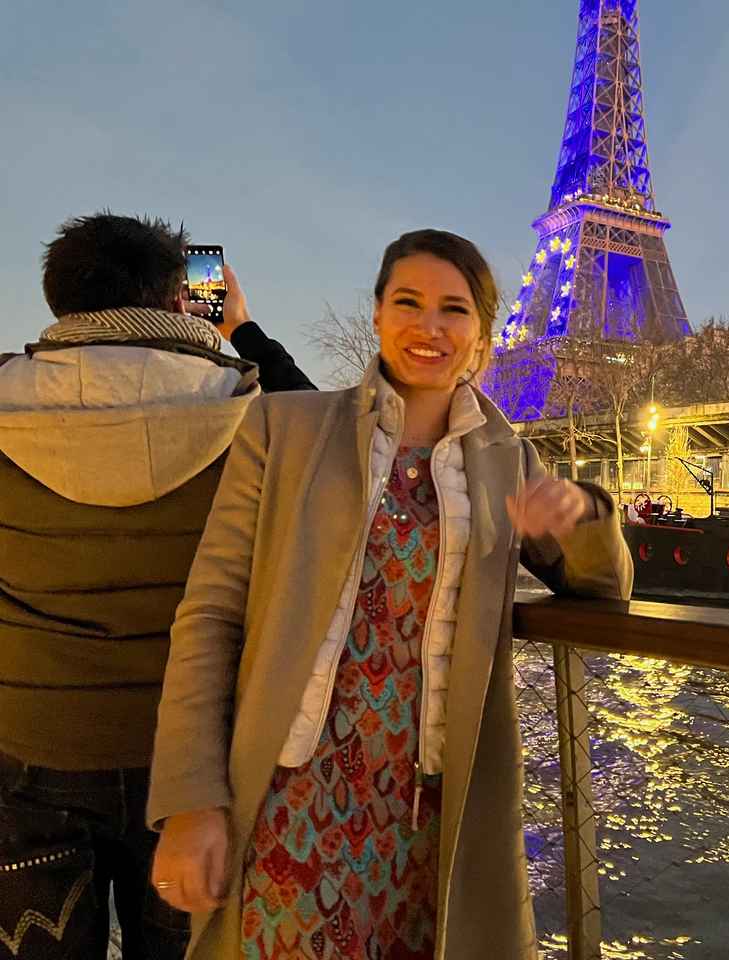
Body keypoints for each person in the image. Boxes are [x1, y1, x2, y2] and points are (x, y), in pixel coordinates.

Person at [147, 228, 632, 960]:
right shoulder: (282, 429)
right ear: (376, 314)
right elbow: (211, 615)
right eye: (408, 302)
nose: (429, 327)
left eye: (454, 310)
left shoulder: (510, 460)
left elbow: (606, 587)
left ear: (482, 334)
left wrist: (582, 515)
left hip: (433, 818)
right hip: (291, 801)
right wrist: (191, 797)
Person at [0, 213, 314, 960]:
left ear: (59, 301)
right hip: (192, 764)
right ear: (183, 298)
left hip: (24, 745)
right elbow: (341, 449)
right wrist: (242, 329)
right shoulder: (257, 411)